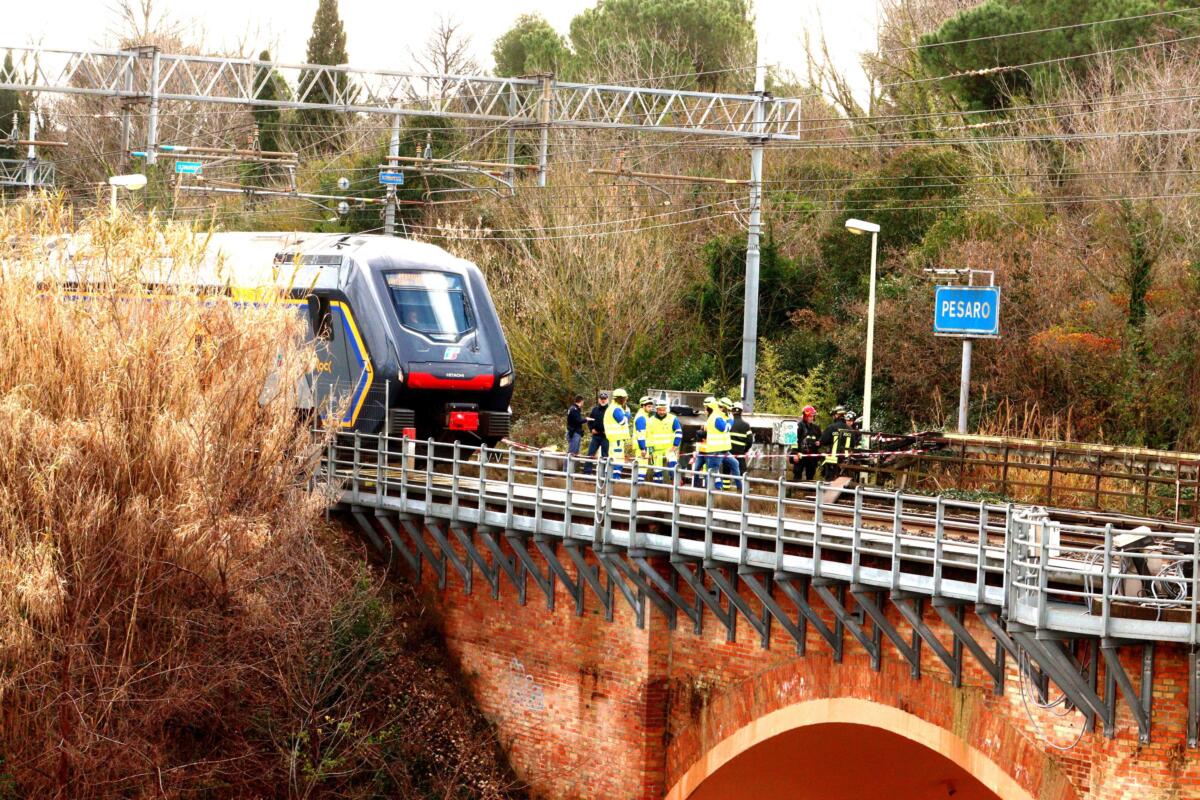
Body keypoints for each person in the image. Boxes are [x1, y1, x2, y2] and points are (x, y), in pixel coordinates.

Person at [703, 396, 741, 490]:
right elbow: (725, 428)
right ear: (723, 408)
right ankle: (710, 494)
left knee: (735, 464)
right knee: (713, 473)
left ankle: (740, 488)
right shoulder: (716, 417)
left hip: (723, 450)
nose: (729, 412)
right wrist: (731, 420)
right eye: (728, 409)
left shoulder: (721, 415)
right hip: (715, 450)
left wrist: (728, 418)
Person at [646, 397, 683, 482]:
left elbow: (678, 432)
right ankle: (658, 490)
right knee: (657, 473)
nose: (662, 412)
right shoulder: (650, 420)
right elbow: (649, 438)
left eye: (664, 410)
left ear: (667, 409)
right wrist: (651, 452)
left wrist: (675, 446)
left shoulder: (673, 419)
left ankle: (676, 485)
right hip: (656, 451)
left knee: (673, 469)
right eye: (660, 410)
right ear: (657, 409)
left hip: (669, 449)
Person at [603, 388, 632, 479]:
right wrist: (627, 413)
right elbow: (623, 421)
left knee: (613, 457)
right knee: (618, 458)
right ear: (621, 399)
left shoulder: (611, 408)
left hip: (613, 438)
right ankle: (615, 477)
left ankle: (610, 477)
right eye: (625, 399)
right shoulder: (616, 409)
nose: (625, 401)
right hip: (617, 438)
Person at [788, 405, 822, 482]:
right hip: (800, 455)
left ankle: (808, 492)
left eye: (813, 416)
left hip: (812, 457)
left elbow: (821, 439)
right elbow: (793, 441)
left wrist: (819, 442)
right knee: (797, 474)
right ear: (805, 416)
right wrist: (794, 453)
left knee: (810, 476)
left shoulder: (816, 428)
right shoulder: (798, 426)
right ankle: (795, 491)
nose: (811, 418)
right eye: (809, 416)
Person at [819, 406, 853, 481]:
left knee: (829, 483)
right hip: (845, 461)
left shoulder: (831, 428)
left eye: (833, 415)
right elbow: (853, 444)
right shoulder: (850, 430)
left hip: (832, 460)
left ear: (836, 415)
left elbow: (822, 441)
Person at [583, 391, 609, 475]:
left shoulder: (610, 410)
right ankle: (587, 472)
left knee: (605, 456)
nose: (603, 400)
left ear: (607, 400)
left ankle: (604, 474)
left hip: (605, 437)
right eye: (601, 399)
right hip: (596, 436)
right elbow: (589, 420)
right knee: (590, 453)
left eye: (604, 399)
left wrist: (608, 431)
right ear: (599, 400)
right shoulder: (595, 410)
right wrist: (591, 429)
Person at [729, 401, 753, 477]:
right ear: (741, 411)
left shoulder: (728, 423)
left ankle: (725, 487)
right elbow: (750, 441)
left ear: (732, 411)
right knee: (742, 472)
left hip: (728, 451)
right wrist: (745, 450)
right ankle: (742, 487)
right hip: (740, 452)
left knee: (726, 471)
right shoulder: (746, 425)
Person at [633, 395, 654, 481]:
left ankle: (638, 488)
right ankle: (637, 488)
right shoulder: (641, 417)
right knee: (641, 469)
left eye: (651, 406)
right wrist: (643, 448)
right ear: (643, 406)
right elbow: (641, 434)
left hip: (645, 447)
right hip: (642, 448)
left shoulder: (644, 416)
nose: (651, 408)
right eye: (649, 406)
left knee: (642, 468)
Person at [566, 394, 586, 458]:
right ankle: (567, 468)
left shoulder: (573, 408)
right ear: (581, 401)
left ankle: (571, 467)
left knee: (575, 453)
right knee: (572, 453)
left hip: (575, 432)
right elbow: (578, 421)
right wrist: (586, 419)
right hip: (574, 433)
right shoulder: (574, 409)